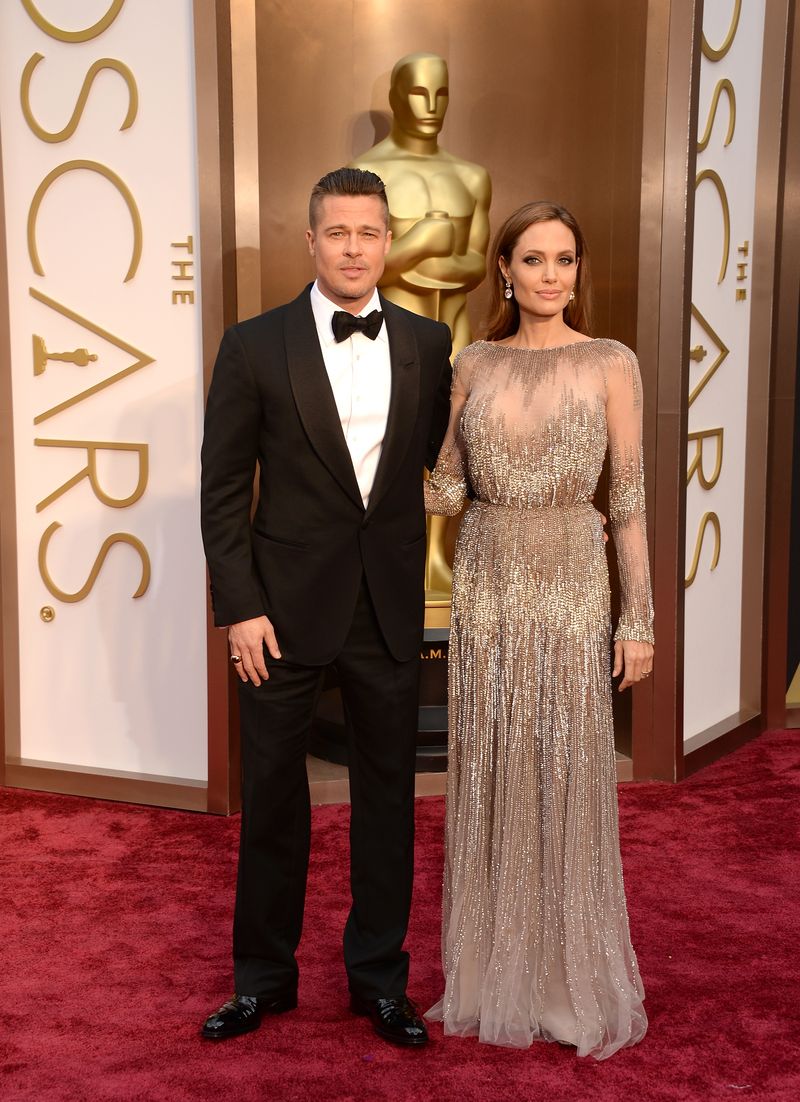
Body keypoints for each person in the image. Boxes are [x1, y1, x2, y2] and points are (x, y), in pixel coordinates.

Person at [199, 167, 452, 1047]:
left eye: (369, 233)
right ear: (311, 240)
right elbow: (225, 489)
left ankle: (379, 983)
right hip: (278, 614)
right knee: (274, 801)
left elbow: (433, 467)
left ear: (389, 240)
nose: (354, 248)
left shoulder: (430, 340)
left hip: (385, 609)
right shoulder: (254, 346)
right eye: (338, 233)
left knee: (388, 805)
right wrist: (240, 608)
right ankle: (262, 981)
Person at [423, 201, 655, 1059]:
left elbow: (625, 502)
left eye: (565, 259)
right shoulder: (473, 363)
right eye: (534, 259)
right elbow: (446, 490)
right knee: (490, 764)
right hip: (486, 578)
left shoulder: (610, 362)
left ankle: (565, 980)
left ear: (577, 271)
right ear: (505, 272)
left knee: (563, 761)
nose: (552, 275)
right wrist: (372, 454)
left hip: (569, 576)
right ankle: (490, 977)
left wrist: (639, 620)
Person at [351, 51, 492, 601]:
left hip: (453, 325)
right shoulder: (370, 175)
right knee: (389, 442)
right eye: (417, 93)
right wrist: (425, 245)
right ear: (394, 98)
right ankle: (395, 552)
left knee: (455, 443)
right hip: (388, 330)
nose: (431, 106)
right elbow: (359, 263)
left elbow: (477, 262)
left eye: (441, 94)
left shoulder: (471, 176)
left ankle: (438, 554)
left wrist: (419, 256)